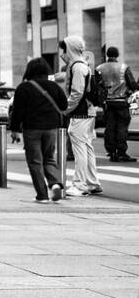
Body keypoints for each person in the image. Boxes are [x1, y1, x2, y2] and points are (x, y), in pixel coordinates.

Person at [8, 57, 68, 203]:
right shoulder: (54, 86)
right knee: (49, 158)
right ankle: (55, 184)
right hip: (51, 128)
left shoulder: (24, 87)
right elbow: (64, 106)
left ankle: (42, 195)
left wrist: (15, 130)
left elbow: (18, 112)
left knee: (35, 162)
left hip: (32, 128)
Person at [59, 36, 103, 196]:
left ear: (69, 49)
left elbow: (77, 93)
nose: (62, 53)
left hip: (80, 112)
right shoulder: (83, 65)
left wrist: (65, 109)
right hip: (88, 111)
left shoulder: (77, 67)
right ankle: (92, 182)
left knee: (79, 147)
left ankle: (80, 185)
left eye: (64, 49)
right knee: (86, 147)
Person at [96, 46, 137, 162]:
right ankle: (121, 152)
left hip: (107, 103)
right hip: (121, 101)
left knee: (110, 126)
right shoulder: (124, 68)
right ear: (117, 54)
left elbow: (96, 85)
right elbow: (133, 84)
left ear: (107, 55)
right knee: (122, 127)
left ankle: (111, 151)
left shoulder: (99, 68)